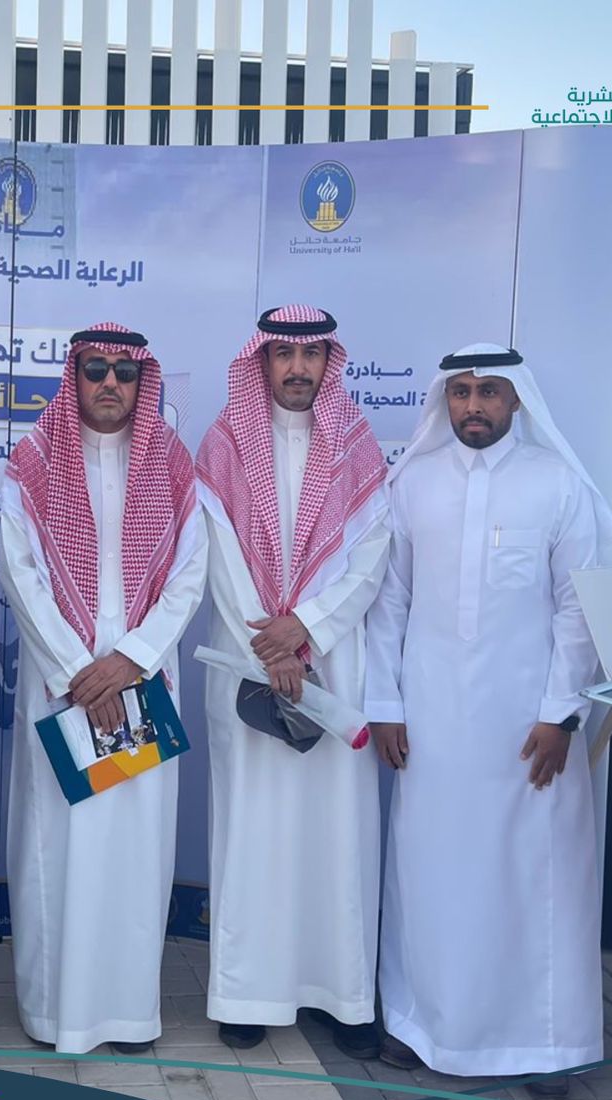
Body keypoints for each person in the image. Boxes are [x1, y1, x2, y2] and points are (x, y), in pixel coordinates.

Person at [364, 344, 612, 1100]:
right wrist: (386, 704)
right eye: (461, 392)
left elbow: (580, 609)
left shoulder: (557, 484)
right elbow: (388, 602)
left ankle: (548, 1045)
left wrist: (560, 714)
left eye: (489, 393)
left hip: (528, 731)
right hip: (432, 723)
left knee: (535, 879)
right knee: (430, 873)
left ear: (517, 401)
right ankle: (418, 1025)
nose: (473, 406)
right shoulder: (411, 483)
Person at [0, 323, 207, 1055]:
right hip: (62, 686)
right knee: (60, 848)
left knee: (137, 849)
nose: (111, 382)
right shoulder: (33, 461)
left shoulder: (172, 462)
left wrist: (132, 660)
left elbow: (189, 574)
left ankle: (127, 1013)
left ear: (142, 379)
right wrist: (79, 672)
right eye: (96, 369)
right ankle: (55, 1012)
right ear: (75, 375)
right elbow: (21, 576)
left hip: (143, 683)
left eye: (125, 370)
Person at [194, 305, 391, 1054]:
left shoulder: (357, 443)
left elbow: (373, 554)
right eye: (284, 355)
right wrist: (271, 643)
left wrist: (305, 627)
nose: (298, 368)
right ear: (263, 362)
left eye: (311, 356)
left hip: (330, 660)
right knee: (253, 828)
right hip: (250, 658)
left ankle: (342, 998)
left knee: (337, 833)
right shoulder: (224, 443)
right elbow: (216, 551)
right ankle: (248, 995)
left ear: (327, 364)